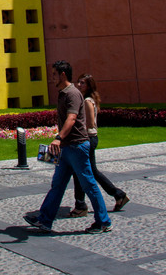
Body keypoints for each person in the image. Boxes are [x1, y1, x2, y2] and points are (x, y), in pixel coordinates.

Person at [23, 60, 112, 234]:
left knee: (89, 184)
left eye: (54, 74)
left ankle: (103, 221)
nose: (52, 78)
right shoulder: (63, 93)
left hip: (77, 146)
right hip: (66, 148)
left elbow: (71, 119)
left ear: (63, 74)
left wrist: (58, 138)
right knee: (57, 184)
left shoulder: (72, 94)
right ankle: (45, 219)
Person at [69, 74, 129, 217]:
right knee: (89, 171)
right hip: (90, 138)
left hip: (87, 138)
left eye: (82, 83)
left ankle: (81, 205)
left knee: (81, 172)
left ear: (89, 85)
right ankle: (117, 194)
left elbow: (89, 123)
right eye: (79, 82)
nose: (79, 85)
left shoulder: (88, 101)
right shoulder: (88, 99)